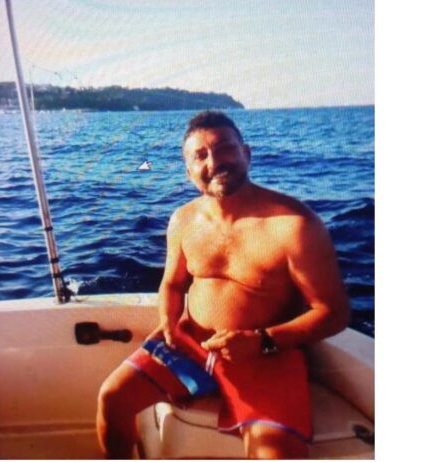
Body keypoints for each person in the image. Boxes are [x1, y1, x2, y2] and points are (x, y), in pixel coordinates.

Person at [96, 111, 350, 459]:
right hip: (191, 344)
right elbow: (173, 284)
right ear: (188, 170)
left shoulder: (294, 225)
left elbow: (334, 313)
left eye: (224, 148)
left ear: (247, 153)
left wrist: (262, 341)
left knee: (275, 455)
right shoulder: (183, 220)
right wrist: (169, 323)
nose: (214, 162)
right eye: (199, 155)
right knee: (112, 398)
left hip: (265, 355)